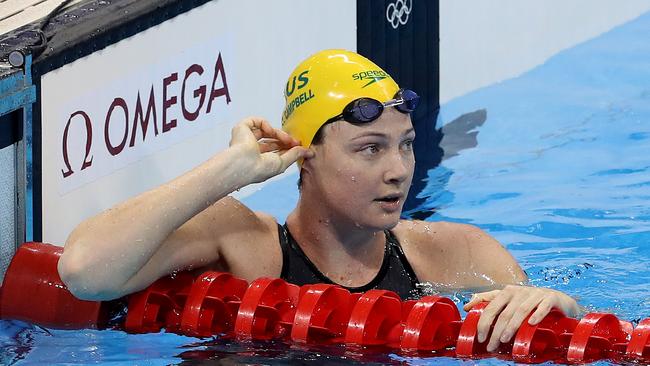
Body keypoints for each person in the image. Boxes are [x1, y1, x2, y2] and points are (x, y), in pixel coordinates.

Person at [58, 49, 579, 352]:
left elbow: (576, 342)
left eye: (406, 145)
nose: (398, 170)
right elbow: (85, 271)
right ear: (305, 156)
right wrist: (225, 173)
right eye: (369, 149)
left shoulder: (460, 254)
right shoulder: (244, 243)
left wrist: (561, 309)